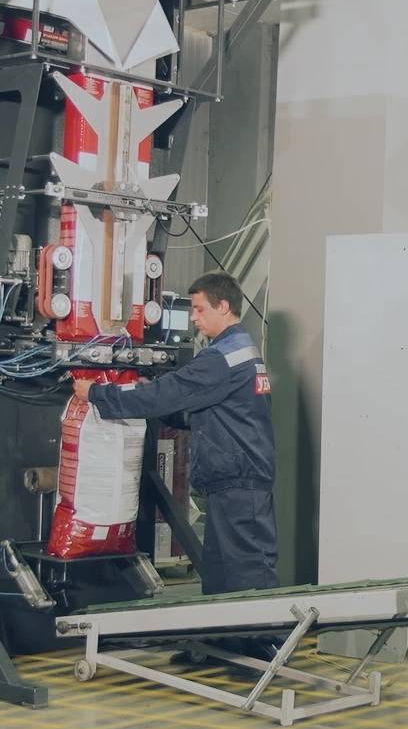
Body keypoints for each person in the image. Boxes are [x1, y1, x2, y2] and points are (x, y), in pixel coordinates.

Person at [73, 271, 277, 672]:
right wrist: (155, 398)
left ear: (223, 306)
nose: (194, 318)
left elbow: (170, 394)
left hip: (240, 478)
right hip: (231, 477)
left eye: (199, 310)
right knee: (220, 571)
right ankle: (220, 644)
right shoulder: (240, 350)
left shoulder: (222, 357)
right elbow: (199, 410)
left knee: (247, 569)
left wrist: (98, 394)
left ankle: (263, 650)